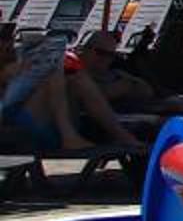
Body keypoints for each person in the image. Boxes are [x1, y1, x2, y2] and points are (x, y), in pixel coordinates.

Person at [0, 36, 143, 154]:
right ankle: (69, 136)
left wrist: (128, 83)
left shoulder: (113, 72)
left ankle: (121, 135)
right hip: (12, 121)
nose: (105, 59)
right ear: (86, 49)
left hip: (44, 120)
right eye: (100, 53)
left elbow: (146, 90)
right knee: (53, 69)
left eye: (111, 55)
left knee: (75, 77)